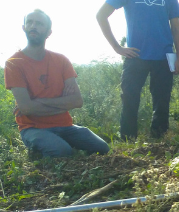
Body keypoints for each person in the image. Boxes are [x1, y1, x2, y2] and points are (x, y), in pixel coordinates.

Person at [96, 0, 179, 140]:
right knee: (129, 100)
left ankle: (159, 141)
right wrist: (118, 48)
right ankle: (128, 142)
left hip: (164, 56)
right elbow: (101, 16)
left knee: (161, 102)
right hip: (136, 55)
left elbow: (177, 29)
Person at [4, 10, 110, 158]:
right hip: (33, 128)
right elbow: (27, 109)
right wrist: (62, 104)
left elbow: (77, 101)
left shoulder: (61, 60)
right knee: (62, 152)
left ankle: (58, 144)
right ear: (24, 28)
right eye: (30, 22)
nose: (33, 26)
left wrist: (38, 102)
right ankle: (38, 153)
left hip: (65, 126)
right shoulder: (13, 64)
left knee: (102, 148)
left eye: (39, 23)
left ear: (48, 32)